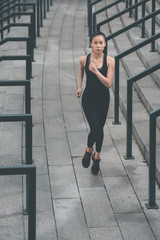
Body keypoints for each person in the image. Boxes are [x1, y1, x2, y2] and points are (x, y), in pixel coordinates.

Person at [76, 31, 115, 175]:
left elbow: (108, 84)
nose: (98, 46)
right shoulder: (84, 59)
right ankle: (89, 150)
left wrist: (97, 72)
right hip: (88, 99)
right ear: (91, 44)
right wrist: (79, 87)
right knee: (96, 127)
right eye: (96, 43)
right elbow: (80, 69)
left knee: (99, 128)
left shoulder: (110, 61)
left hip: (103, 99)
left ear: (105, 45)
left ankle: (95, 154)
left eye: (101, 43)